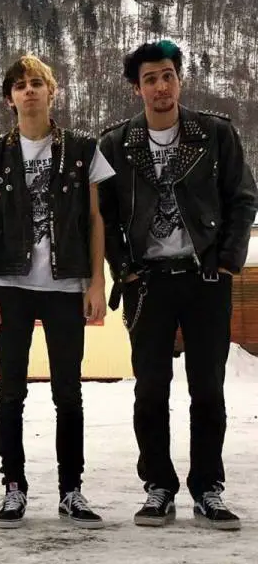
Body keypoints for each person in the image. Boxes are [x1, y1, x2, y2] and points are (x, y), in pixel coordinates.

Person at [99, 40, 258, 530]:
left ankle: (208, 487)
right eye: (150, 79)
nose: (161, 87)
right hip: (147, 282)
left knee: (207, 388)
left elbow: (243, 197)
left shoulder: (214, 134)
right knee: (150, 390)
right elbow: (102, 215)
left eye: (168, 75)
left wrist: (228, 261)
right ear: (137, 88)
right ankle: (159, 486)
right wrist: (123, 268)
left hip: (205, 277)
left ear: (179, 80)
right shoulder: (117, 144)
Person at [0, 55, 113, 529]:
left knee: (68, 393)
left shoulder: (83, 150)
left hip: (66, 284)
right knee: (10, 392)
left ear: (52, 91)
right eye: (20, 85)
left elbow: (95, 218)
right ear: (9, 99)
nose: (28, 90)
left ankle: (71, 489)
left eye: (36, 83)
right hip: (11, 285)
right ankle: (13, 487)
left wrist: (96, 281)